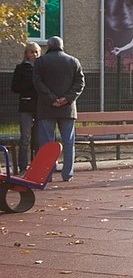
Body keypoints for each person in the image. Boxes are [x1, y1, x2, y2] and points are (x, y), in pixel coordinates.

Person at [32, 36, 84, 182]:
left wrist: (51, 98)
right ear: (62, 46)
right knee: (68, 142)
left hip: (47, 108)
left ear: (48, 46)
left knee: (47, 144)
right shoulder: (73, 61)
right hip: (67, 109)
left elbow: (37, 82)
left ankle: (47, 175)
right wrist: (67, 98)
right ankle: (67, 174)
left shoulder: (40, 62)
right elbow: (80, 83)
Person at [10, 42, 41, 175]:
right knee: (25, 138)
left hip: (39, 106)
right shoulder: (21, 68)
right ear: (27, 54)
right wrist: (29, 84)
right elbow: (15, 87)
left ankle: (36, 165)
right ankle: (23, 167)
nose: (34, 55)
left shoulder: (41, 68)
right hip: (26, 105)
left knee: (38, 138)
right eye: (32, 52)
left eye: (36, 52)